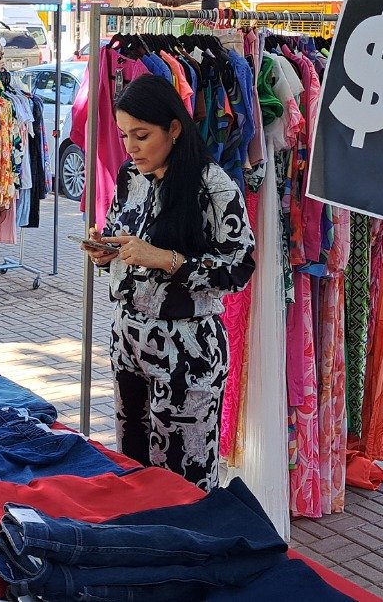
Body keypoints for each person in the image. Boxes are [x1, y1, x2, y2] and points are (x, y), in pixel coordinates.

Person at [84, 75, 255, 490]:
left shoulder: (213, 186)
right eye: (125, 135)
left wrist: (166, 260)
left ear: (174, 128)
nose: (131, 147)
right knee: (133, 469)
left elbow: (238, 268)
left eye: (141, 135)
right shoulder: (131, 176)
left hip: (188, 350)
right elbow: (125, 239)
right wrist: (106, 252)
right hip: (129, 340)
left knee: (184, 480)